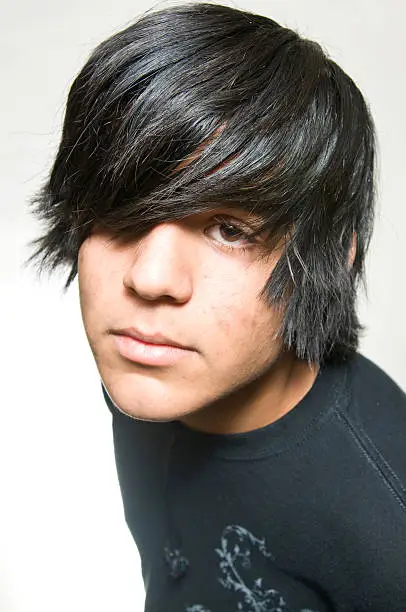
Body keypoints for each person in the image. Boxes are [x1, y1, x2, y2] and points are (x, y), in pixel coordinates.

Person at [29, 3, 406, 610]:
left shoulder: (387, 522)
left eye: (229, 228)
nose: (150, 279)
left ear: (333, 260)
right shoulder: (156, 363)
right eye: (123, 208)